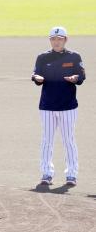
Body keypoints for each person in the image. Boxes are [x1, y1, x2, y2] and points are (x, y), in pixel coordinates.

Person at [31, 27, 85, 186]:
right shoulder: (42, 57)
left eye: (60, 39)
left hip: (68, 106)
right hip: (47, 106)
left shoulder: (74, 57)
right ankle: (46, 173)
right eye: (53, 39)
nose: (56, 41)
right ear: (50, 40)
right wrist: (37, 78)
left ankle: (72, 174)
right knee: (47, 140)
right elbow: (35, 74)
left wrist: (76, 78)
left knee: (68, 140)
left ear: (65, 40)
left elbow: (82, 76)